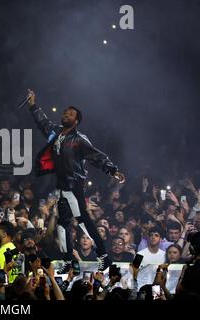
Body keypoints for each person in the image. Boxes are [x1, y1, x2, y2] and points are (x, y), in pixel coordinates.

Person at [26, 89, 126, 272]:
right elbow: (43, 122)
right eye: (65, 112)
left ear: (76, 120)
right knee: (62, 226)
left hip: (74, 186)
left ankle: (103, 256)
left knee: (83, 221)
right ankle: (68, 262)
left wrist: (112, 170)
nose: (65, 114)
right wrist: (33, 106)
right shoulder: (55, 133)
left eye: (70, 114)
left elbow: (97, 156)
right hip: (61, 187)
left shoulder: (79, 139)